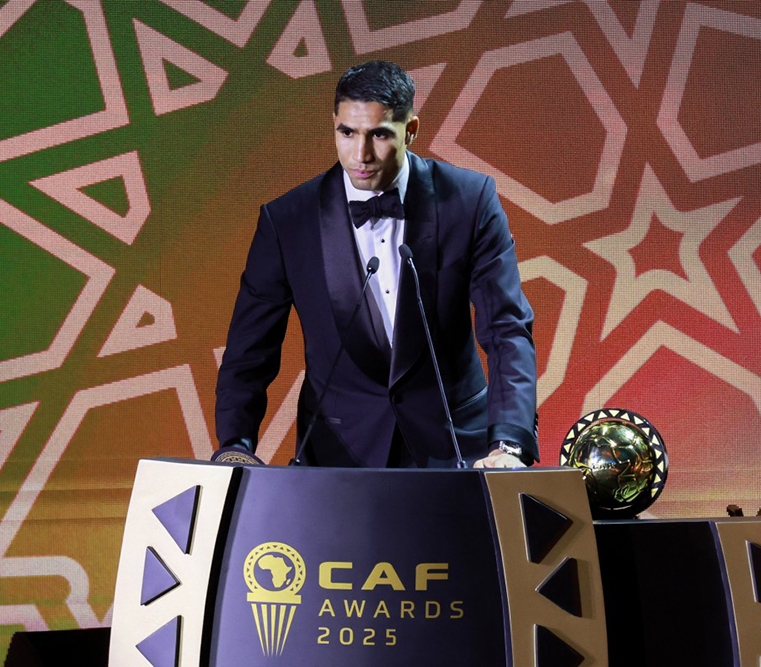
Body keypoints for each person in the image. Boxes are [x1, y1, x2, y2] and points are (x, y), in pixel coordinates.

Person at [215, 61, 537, 468]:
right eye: (347, 133)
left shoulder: (470, 201)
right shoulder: (288, 221)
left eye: (380, 134)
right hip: (338, 456)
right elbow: (249, 350)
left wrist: (508, 444)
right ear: (334, 124)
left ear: (411, 130)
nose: (361, 154)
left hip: (456, 448)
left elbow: (506, 329)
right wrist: (235, 444)